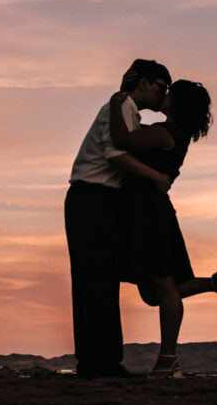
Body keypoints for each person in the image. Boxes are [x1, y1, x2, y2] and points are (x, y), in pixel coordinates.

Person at [109, 80, 217, 378]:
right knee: (153, 295)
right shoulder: (172, 132)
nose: (165, 95)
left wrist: (116, 100)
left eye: (170, 93)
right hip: (144, 212)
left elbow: (122, 139)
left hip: (149, 213)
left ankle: (168, 361)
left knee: (162, 289)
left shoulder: (168, 133)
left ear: (178, 102)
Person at [65, 59, 173, 379]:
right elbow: (116, 153)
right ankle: (104, 362)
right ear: (143, 83)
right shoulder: (122, 105)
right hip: (95, 198)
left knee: (92, 280)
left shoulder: (123, 108)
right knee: (100, 280)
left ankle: (94, 361)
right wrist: (156, 176)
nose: (162, 94)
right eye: (160, 87)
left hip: (89, 198)